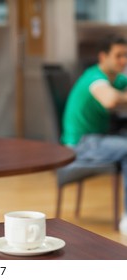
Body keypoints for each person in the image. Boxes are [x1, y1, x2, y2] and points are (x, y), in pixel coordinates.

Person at [61, 34, 127, 235]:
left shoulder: (117, 79)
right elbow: (109, 101)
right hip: (80, 145)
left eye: (126, 55)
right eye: (118, 56)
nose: (123, 61)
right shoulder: (95, 78)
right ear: (103, 57)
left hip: (98, 140)